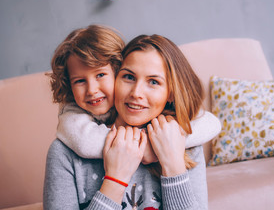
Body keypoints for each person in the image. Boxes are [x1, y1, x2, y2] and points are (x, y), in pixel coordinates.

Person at [44, 34, 221, 209]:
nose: (136, 92)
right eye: (129, 77)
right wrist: (114, 181)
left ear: (171, 93)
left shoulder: (186, 147)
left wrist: (173, 165)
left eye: (153, 81)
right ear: (115, 77)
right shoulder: (64, 153)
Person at [48, 25, 220, 162]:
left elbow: (211, 123)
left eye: (100, 75)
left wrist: (167, 145)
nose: (92, 90)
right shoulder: (72, 114)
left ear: (116, 71)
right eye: (79, 81)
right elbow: (85, 143)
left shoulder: (148, 111)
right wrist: (143, 148)